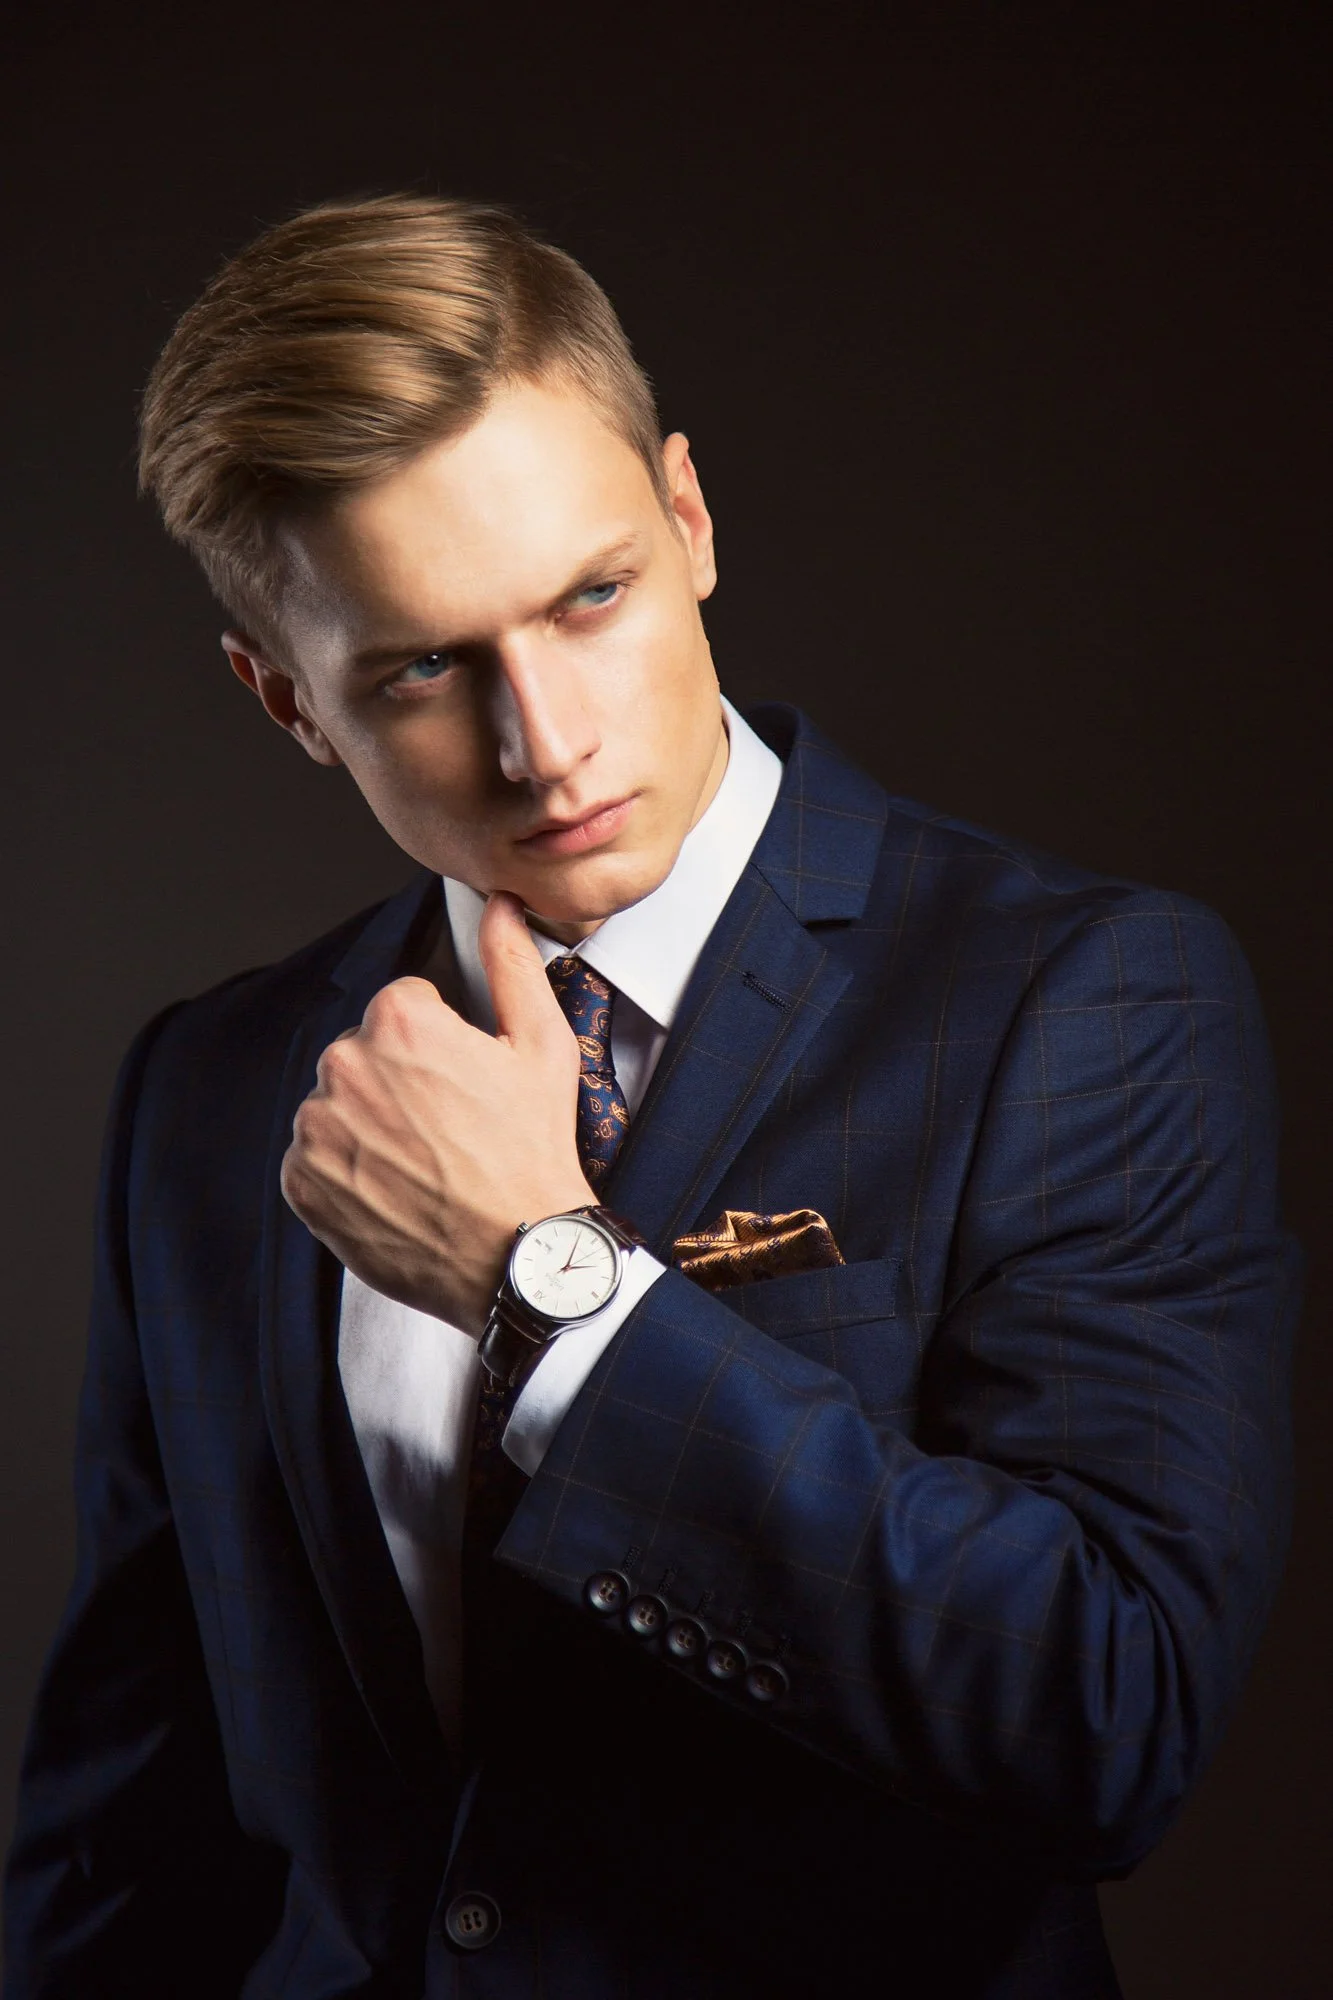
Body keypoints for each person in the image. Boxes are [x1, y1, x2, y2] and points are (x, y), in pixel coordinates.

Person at [1, 194, 1300, 2000]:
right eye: (425, 667)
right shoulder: (211, 1087)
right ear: (285, 702)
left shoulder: (1082, 995)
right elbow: (128, 1823)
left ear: (688, 521)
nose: (547, 746)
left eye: (590, 597)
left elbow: (1107, 1715)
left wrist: (547, 1280)